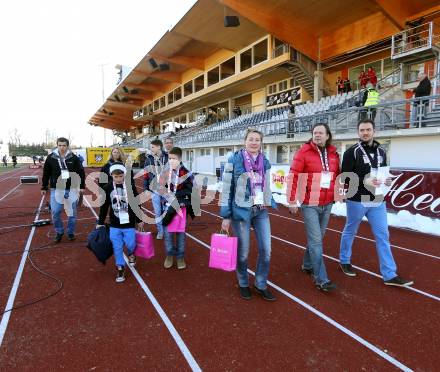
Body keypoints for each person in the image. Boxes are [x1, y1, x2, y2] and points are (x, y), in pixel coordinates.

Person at [339, 119, 413, 287]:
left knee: (383, 235)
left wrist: (387, 181)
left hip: (377, 199)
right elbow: (345, 178)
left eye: (368, 129)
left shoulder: (382, 151)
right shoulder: (352, 152)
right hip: (357, 199)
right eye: (362, 130)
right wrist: (366, 181)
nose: (365, 133)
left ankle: (389, 274)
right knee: (351, 230)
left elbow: (383, 173)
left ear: (374, 131)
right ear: (358, 132)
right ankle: (344, 260)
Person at [220, 129, 277, 301]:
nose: (254, 142)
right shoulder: (234, 160)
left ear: (261, 143)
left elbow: (265, 186)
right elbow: (227, 189)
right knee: (243, 253)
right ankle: (243, 282)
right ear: (245, 141)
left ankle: (260, 283)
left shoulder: (264, 161)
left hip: (260, 210)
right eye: (251, 139)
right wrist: (226, 216)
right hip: (241, 211)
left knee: (266, 250)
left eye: (257, 140)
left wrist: (270, 199)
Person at [288, 123, 340, 292]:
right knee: (316, 241)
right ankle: (321, 279)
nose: (317, 135)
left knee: (317, 239)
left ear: (327, 135)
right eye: (315, 133)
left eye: (321, 133)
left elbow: (337, 177)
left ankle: (307, 264)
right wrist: (291, 200)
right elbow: (293, 175)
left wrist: (338, 194)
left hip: (327, 203)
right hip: (309, 203)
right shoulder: (304, 151)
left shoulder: (333, 154)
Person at [97, 162, 143, 283]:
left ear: (124, 175)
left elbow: (136, 204)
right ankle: (120, 267)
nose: (118, 179)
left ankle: (132, 253)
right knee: (117, 247)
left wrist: (139, 220)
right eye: (115, 176)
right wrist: (100, 222)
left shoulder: (131, 187)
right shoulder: (107, 188)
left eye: (121, 176)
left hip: (129, 223)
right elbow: (104, 206)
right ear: (111, 175)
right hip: (114, 224)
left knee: (131, 243)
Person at [41, 137, 85, 242]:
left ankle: (70, 232)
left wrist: (82, 186)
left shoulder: (73, 157)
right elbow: (46, 173)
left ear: (67, 146)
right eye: (60, 145)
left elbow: (81, 172)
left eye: (64, 145)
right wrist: (43, 186)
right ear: (57, 145)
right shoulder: (51, 157)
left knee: (72, 213)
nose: (62, 147)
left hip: (71, 189)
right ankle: (59, 231)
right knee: (55, 212)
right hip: (56, 189)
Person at [160, 147, 194, 270]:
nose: (171, 161)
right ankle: (169, 255)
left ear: (180, 159)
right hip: (167, 208)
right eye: (169, 158)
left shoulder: (186, 173)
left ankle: (180, 256)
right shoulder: (165, 172)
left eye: (174, 159)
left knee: (180, 235)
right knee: (168, 235)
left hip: (180, 209)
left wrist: (177, 196)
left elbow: (190, 190)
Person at [144, 139, 169, 240]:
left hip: (167, 189)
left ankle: (167, 230)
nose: (151, 149)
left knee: (167, 211)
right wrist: (146, 189)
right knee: (158, 212)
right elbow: (146, 175)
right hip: (154, 189)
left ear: (159, 147)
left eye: (152, 147)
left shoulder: (168, 157)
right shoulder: (148, 159)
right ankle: (160, 231)